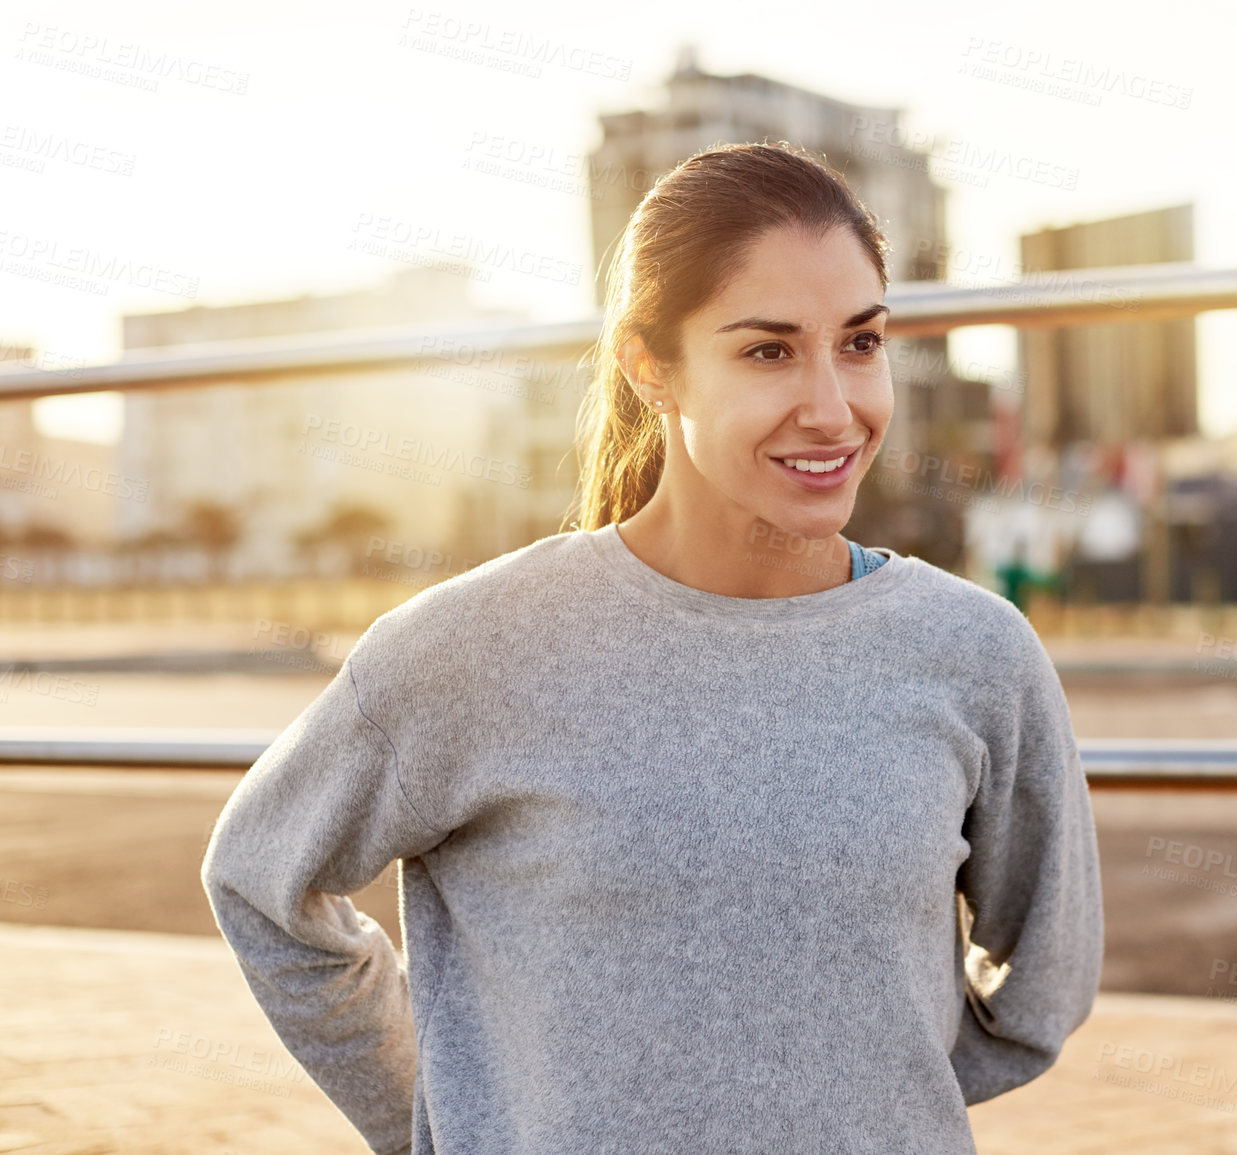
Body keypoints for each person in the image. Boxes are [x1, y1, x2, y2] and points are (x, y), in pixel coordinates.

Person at [201, 140, 1103, 1155]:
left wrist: (863, 1093)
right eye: (767, 350)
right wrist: (448, 1117)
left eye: (860, 341)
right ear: (650, 367)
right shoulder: (476, 647)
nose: (833, 405)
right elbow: (263, 880)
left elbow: (1044, 984)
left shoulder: (976, 651)